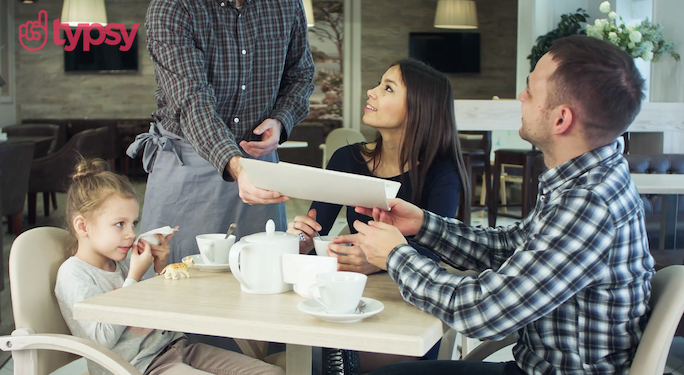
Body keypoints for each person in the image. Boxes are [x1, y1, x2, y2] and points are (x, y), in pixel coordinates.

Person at [347, 35, 655, 375]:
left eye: (530, 92)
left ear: (561, 119)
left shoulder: (589, 204)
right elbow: (510, 247)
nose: (520, 97)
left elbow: (482, 311)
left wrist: (395, 256)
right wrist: (423, 225)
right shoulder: (583, 180)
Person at [127, 0, 315, 266]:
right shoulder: (172, 7)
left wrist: (281, 120)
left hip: (258, 168)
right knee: (175, 283)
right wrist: (236, 166)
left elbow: (301, 75)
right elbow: (192, 101)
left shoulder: (286, 4)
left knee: (261, 276)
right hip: (188, 167)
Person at [55, 158, 284, 375]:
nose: (131, 234)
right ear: (82, 226)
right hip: (140, 367)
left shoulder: (123, 262)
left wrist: (160, 268)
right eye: (119, 224)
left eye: (133, 223)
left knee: (274, 373)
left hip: (178, 349)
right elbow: (101, 339)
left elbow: (159, 311)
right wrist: (134, 277)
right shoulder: (74, 274)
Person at [288, 59, 469, 276]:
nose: (371, 91)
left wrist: (381, 261)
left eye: (388, 88)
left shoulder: (443, 171)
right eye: (379, 84)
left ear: (419, 107)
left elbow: (440, 250)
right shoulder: (346, 159)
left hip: (411, 291)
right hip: (354, 287)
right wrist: (302, 242)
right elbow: (317, 232)